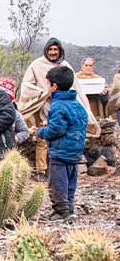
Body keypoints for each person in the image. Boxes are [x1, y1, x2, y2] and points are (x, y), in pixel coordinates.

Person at [18, 38, 99, 179]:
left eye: (55, 49)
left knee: (59, 134)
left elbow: (75, 86)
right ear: (46, 50)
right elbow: (27, 86)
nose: (53, 52)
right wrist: (44, 93)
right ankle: (41, 171)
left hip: (64, 103)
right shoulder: (36, 65)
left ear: (60, 50)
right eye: (50, 49)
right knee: (42, 138)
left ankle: (56, 170)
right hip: (44, 104)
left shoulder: (65, 65)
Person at [30, 66, 88, 222]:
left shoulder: (57, 105)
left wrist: (40, 132)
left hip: (60, 152)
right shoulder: (77, 104)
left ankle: (61, 211)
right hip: (74, 152)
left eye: (48, 84)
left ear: (54, 86)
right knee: (70, 182)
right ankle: (69, 208)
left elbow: (56, 131)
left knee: (57, 183)